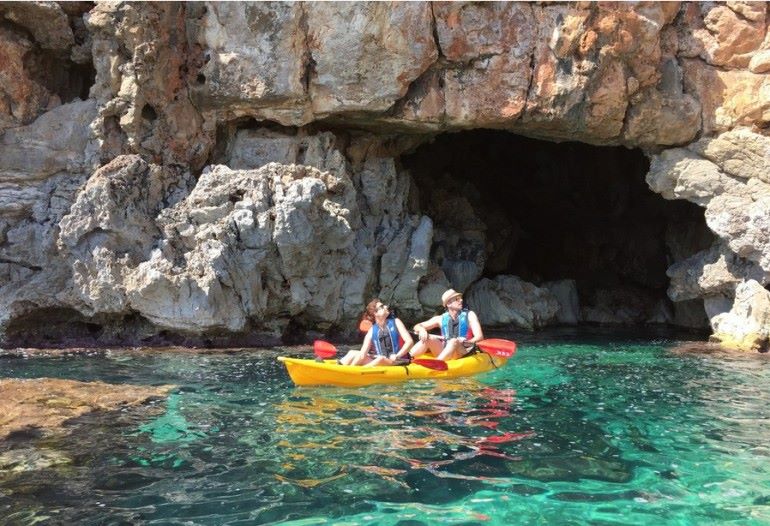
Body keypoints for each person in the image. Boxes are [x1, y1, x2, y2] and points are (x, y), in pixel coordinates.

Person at [410, 288, 483, 361]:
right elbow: (417, 326)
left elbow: (479, 337)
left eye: (460, 298)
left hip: (463, 351)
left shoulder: (470, 315)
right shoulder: (440, 319)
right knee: (428, 338)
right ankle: (408, 357)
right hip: (445, 352)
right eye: (457, 299)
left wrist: (466, 342)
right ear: (448, 304)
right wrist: (422, 330)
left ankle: (437, 363)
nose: (461, 300)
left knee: (454, 341)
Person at [339, 298, 414, 366]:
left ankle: (353, 373)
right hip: (381, 360)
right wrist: (361, 357)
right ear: (375, 313)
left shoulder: (396, 322)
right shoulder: (372, 330)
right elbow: (362, 354)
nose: (386, 307)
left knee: (380, 359)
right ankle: (341, 368)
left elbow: (410, 342)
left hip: (398, 360)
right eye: (381, 307)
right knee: (353, 352)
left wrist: (397, 355)